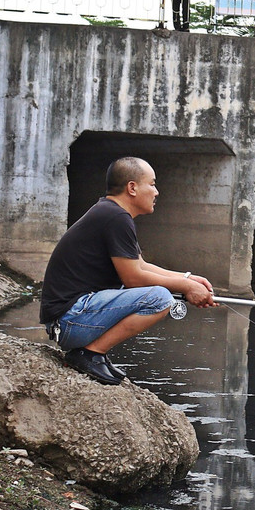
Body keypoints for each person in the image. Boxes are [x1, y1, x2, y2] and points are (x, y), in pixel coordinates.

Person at [39, 157, 217, 384]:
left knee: (159, 293)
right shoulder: (116, 217)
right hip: (69, 320)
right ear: (132, 187)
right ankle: (90, 354)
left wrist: (188, 279)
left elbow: (140, 265)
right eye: (152, 184)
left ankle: (94, 353)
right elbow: (133, 278)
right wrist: (186, 287)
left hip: (68, 320)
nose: (157, 192)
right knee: (160, 298)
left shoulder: (111, 213)